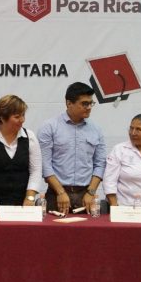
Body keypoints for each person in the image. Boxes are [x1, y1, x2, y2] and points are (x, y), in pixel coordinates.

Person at [38, 82, 106, 214]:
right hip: (56, 194)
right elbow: (45, 165)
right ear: (69, 103)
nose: (89, 107)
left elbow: (100, 164)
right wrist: (60, 192)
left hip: (86, 195)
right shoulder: (49, 127)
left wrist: (91, 192)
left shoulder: (96, 129)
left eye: (91, 103)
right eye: (84, 104)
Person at [0, 95, 42, 213]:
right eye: (17, 117)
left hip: (23, 204)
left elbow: (36, 171)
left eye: (23, 115)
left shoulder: (30, 137)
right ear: (2, 118)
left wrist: (30, 198)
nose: (22, 120)